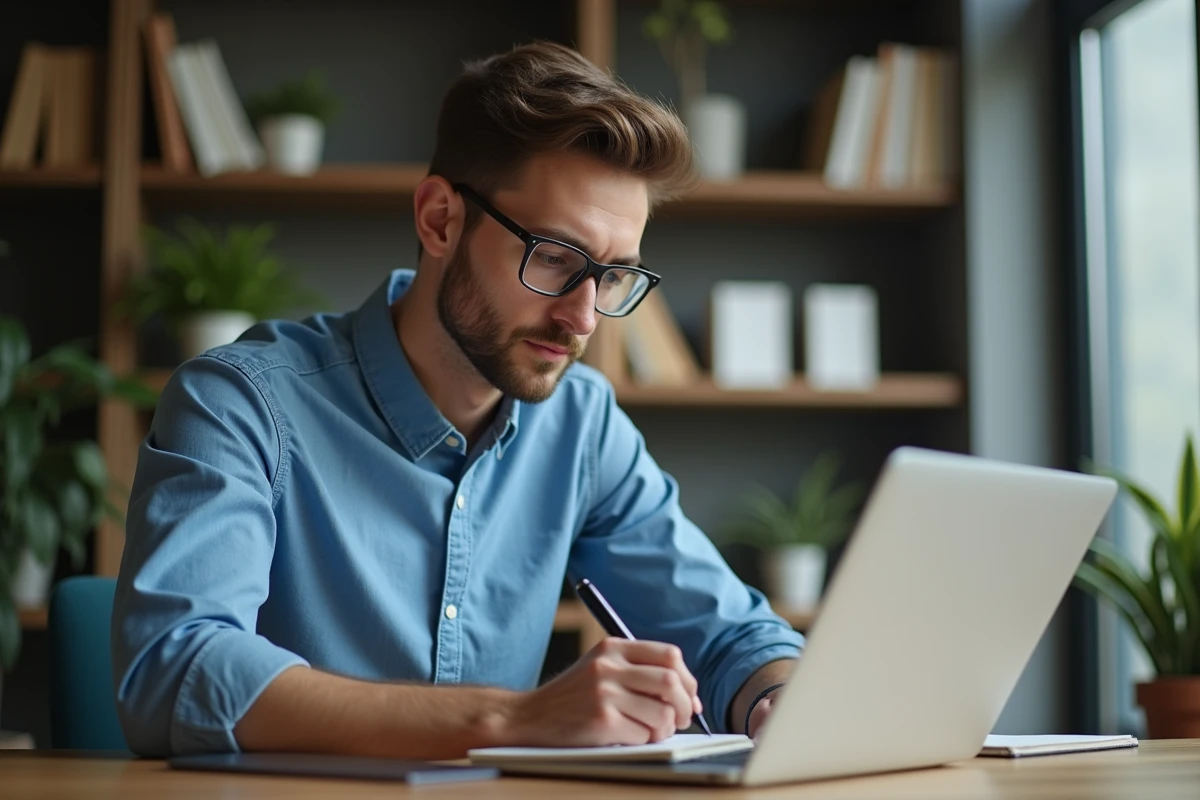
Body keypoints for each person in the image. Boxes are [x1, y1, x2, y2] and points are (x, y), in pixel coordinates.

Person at [111, 40, 803, 759]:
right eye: (556, 260)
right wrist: (512, 720)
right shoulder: (240, 404)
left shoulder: (581, 425)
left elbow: (732, 635)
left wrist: (778, 698)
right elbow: (175, 670)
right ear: (441, 220)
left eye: (613, 276)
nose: (584, 318)